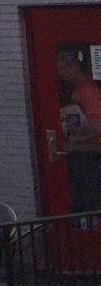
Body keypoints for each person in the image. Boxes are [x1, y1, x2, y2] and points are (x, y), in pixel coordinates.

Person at [56, 52, 101, 215]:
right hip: (84, 154)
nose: (60, 74)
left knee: (89, 199)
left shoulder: (87, 90)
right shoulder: (79, 89)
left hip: (91, 154)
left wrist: (70, 129)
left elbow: (98, 125)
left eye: (63, 68)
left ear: (74, 66)